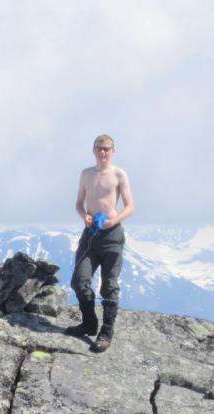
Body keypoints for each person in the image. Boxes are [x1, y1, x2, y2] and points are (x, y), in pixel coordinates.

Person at [65, 133, 134, 352]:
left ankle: (106, 332)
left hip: (112, 235)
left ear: (113, 151)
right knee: (79, 281)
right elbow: (78, 203)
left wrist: (114, 220)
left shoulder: (119, 174)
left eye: (106, 148)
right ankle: (89, 323)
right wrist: (83, 215)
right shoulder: (86, 174)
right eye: (99, 148)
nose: (102, 152)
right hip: (90, 234)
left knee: (109, 284)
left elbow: (130, 206)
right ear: (93, 150)